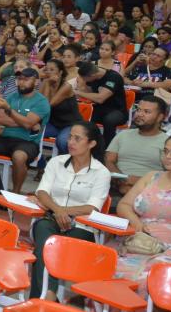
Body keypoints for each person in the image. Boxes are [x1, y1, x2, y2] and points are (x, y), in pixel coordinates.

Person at [28, 121, 111, 299]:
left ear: (92, 144)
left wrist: (62, 211)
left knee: (48, 247)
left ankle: (40, 299)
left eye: (77, 138)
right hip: (51, 218)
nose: (70, 142)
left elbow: (92, 206)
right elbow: (42, 191)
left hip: (82, 226)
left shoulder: (101, 172)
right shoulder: (56, 162)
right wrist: (57, 211)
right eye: (70, 137)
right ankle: (49, 294)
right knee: (43, 230)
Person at [116, 132, 171, 312]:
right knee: (112, 267)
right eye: (166, 151)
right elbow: (124, 204)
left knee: (148, 277)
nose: (168, 156)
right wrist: (136, 222)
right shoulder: (152, 177)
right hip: (139, 240)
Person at [0, 67, 50, 192]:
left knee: (19, 157)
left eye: (26, 79)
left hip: (28, 142)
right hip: (5, 138)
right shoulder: (12, 96)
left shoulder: (42, 102)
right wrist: (24, 121)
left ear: (36, 82)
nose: (21, 82)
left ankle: (16, 192)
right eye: (20, 79)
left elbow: (28, 124)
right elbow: (1, 120)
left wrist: (10, 110)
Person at [106, 96, 169, 197]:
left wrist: (136, 182)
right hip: (115, 186)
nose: (139, 114)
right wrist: (122, 180)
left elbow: (170, 175)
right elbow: (108, 161)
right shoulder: (123, 134)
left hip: (148, 191)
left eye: (147, 112)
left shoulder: (168, 143)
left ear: (161, 117)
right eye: (138, 110)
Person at [76, 60, 128, 147]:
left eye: (84, 79)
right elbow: (89, 93)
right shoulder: (91, 76)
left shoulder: (113, 77)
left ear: (92, 75)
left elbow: (100, 98)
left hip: (117, 110)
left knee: (109, 120)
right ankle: (88, 143)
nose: (84, 80)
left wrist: (77, 92)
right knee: (81, 116)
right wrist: (82, 85)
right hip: (99, 108)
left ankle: (107, 148)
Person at [40, 58, 82, 155]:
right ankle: (40, 164)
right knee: (30, 133)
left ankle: (68, 164)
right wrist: (45, 83)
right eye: (46, 69)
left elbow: (47, 106)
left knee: (62, 142)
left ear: (60, 72)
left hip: (70, 124)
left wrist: (47, 83)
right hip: (53, 124)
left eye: (52, 70)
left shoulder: (66, 87)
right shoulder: (45, 84)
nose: (48, 72)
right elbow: (39, 105)